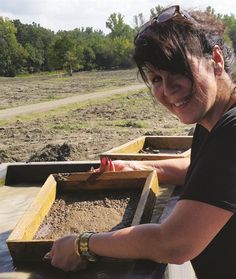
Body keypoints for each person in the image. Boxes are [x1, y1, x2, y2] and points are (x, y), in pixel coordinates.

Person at [44, 5, 236, 278]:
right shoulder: (215, 120)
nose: (168, 90)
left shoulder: (232, 130)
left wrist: (82, 244)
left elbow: (174, 243)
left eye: (178, 70)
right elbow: (202, 173)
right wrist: (134, 169)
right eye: (156, 78)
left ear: (215, 59)